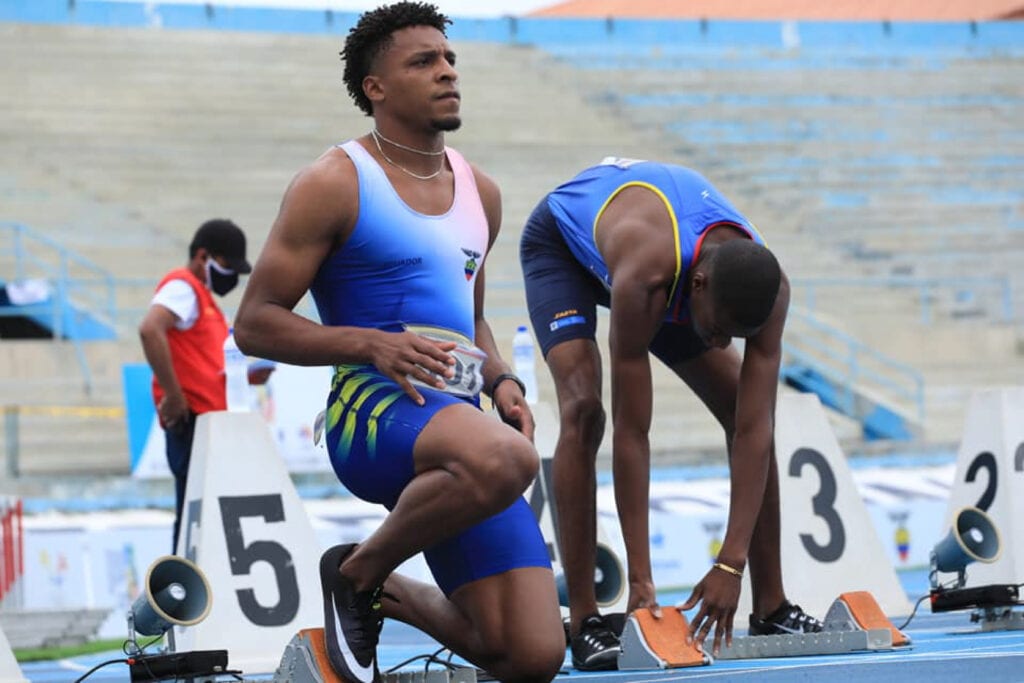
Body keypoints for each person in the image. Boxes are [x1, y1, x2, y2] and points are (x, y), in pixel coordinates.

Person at [232, 4, 564, 682]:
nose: (447, 72)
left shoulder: (481, 192)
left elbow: (472, 320)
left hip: (462, 430)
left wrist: (501, 379)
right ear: (375, 87)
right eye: (424, 61)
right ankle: (357, 577)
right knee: (511, 458)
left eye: (450, 59)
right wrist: (371, 346)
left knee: (531, 656)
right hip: (374, 412)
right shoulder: (335, 181)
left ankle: (377, 580)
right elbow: (255, 322)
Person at [519, 156, 824, 668]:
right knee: (585, 412)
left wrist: (730, 564)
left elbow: (754, 428)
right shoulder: (648, 277)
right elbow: (633, 433)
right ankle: (586, 619)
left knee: (741, 408)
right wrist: (643, 583)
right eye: (719, 330)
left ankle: (771, 605)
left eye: (736, 336)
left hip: (673, 268)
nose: (722, 344)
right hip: (564, 249)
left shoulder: (771, 295)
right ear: (698, 287)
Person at [139, 218, 262, 552]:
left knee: (202, 519)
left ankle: (188, 579)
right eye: (227, 265)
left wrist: (247, 376)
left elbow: (205, 367)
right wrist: (173, 395)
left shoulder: (203, 300)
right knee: (194, 521)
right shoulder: (183, 288)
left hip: (207, 423)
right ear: (202, 256)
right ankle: (181, 582)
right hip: (192, 421)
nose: (231, 275)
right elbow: (150, 329)